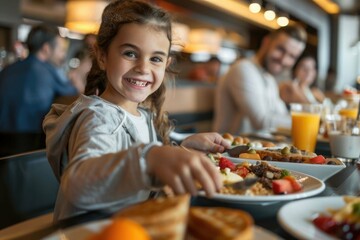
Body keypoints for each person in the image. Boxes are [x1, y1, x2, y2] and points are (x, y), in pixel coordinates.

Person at [43, 0, 230, 221]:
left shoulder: (142, 115)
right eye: (130, 54)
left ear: (166, 64)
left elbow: (138, 165)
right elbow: (78, 184)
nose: (143, 68)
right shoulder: (98, 117)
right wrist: (151, 158)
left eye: (156, 59)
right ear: (102, 56)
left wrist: (182, 150)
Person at [213, 24, 307, 134]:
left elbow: (282, 115)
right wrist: (310, 119)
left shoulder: (269, 78)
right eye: (280, 49)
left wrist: (300, 101)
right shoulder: (243, 69)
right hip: (227, 149)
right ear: (266, 42)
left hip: (256, 148)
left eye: (292, 56)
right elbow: (262, 122)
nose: (284, 60)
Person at [0, 24, 78, 133]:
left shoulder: (7, 70)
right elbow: (74, 95)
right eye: (61, 50)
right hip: (32, 144)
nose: (63, 55)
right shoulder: (47, 71)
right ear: (46, 49)